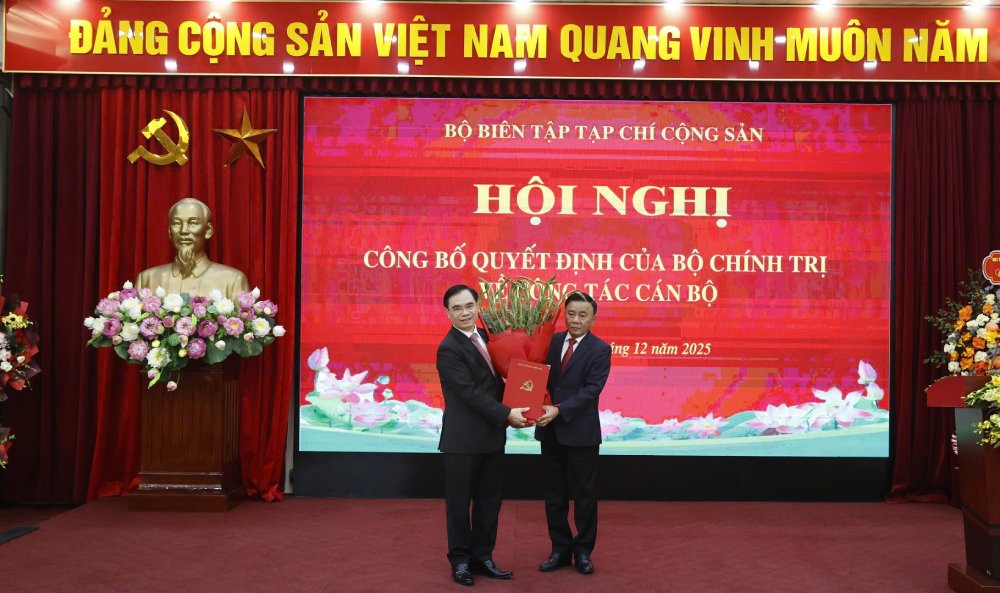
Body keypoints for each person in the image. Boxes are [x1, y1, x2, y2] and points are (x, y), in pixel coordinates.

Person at [436, 284, 529, 586]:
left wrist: (527, 390)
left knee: (490, 501)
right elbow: (470, 393)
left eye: (469, 306)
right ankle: (460, 561)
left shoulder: (488, 338)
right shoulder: (449, 348)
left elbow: (496, 383)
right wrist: (507, 414)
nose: (464, 313)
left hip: (490, 437)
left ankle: (483, 556)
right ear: (448, 312)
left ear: (478, 306)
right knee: (459, 504)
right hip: (462, 441)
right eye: (457, 308)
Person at [534, 291, 612, 575]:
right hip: (551, 431)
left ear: (593, 318)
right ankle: (559, 549)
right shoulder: (552, 342)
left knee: (584, 495)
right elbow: (537, 375)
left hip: (580, 432)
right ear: (564, 314)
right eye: (571, 314)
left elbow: (592, 390)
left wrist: (559, 409)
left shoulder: (600, 349)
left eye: (582, 315)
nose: (576, 320)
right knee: (554, 495)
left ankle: (583, 551)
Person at [135, 197, 249, 300]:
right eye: (176, 223)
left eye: (193, 223)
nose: (183, 231)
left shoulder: (233, 280)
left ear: (208, 231)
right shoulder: (147, 279)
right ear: (169, 231)